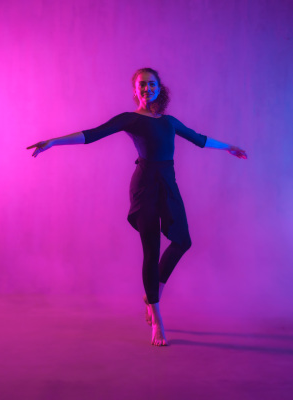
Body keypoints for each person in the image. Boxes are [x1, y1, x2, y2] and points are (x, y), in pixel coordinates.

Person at [27, 68, 247, 346]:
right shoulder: (130, 119)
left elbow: (200, 140)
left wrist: (229, 147)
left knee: (183, 241)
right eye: (141, 85)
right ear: (135, 90)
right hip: (144, 188)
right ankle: (156, 319)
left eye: (151, 84)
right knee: (151, 249)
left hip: (168, 186)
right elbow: (93, 134)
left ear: (158, 87)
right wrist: (54, 142)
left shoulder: (169, 122)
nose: (146, 89)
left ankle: (153, 292)